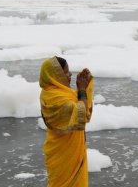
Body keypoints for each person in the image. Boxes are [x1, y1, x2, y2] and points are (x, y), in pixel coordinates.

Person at [39, 56, 94, 187]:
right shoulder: (54, 97)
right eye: (66, 72)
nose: (69, 75)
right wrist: (81, 89)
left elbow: (78, 104)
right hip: (63, 153)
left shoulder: (57, 92)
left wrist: (85, 85)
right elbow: (81, 113)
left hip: (67, 150)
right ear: (56, 75)